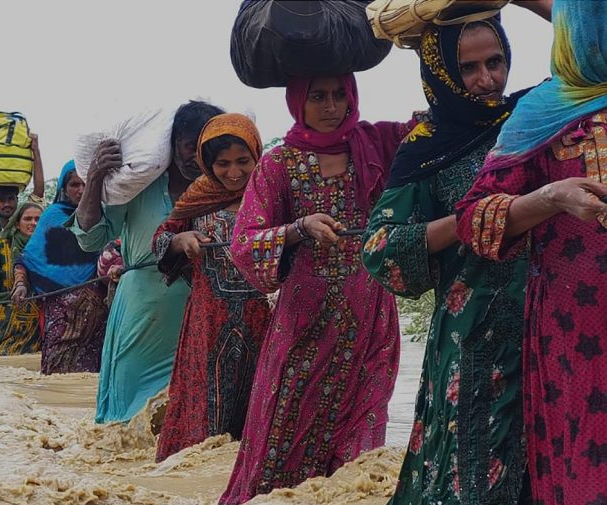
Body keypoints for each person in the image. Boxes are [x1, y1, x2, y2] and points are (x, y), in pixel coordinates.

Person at [361, 12, 556, 502]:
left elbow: (596, 58)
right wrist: (472, 221)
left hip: (554, 329)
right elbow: (379, 247)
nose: (487, 80)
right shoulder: (425, 149)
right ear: (441, 71)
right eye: (469, 68)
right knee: (472, 479)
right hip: (473, 340)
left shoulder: (537, 116)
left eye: (496, 62)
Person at [220, 76, 412, 504]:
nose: (331, 106)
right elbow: (244, 243)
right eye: (318, 96)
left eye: (340, 94)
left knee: (362, 442)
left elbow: (437, 127)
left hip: (370, 320)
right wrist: (296, 229)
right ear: (298, 102)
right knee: (282, 437)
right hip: (304, 324)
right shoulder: (277, 164)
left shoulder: (379, 144)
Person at [454, 2, 607, 503]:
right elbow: (473, 220)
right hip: (577, 333)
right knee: (584, 470)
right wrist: (549, 199)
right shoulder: (544, 112)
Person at [71, 100, 224, 423]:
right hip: (142, 319)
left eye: (203, 148)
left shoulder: (223, 186)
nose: (195, 158)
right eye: (187, 147)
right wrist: (96, 177)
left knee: (195, 424)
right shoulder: (139, 186)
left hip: (203, 315)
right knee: (126, 422)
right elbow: (91, 238)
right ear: (170, 146)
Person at [151, 113, 272, 461]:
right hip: (208, 318)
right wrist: (180, 240)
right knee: (205, 406)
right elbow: (161, 237)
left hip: (263, 315)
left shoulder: (271, 192)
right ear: (208, 163)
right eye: (222, 163)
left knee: (259, 401)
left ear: (256, 156)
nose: (233, 172)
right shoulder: (197, 196)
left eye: (242, 161)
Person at [16, 160, 107, 372]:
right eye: (74, 184)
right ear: (64, 188)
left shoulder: (107, 217)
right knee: (56, 374)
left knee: (92, 376)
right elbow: (27, 259)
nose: (81, 190)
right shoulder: (52, 216)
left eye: (86, 183)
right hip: (61, 314)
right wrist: (20, 285)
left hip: (98, 313)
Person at [0, 200, 44, 358]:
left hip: (38, 326)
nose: (33, 223)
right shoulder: (2, 247)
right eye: (28, 219)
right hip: (5, 324)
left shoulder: (50, 248)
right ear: (17, 224)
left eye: (38, 219)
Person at [0, 133, 46, 227]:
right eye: (2, 200)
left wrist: (36, 151)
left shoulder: (25, 220)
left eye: (11, 199)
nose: (7, 204)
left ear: (17, 199)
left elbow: (38, 193)